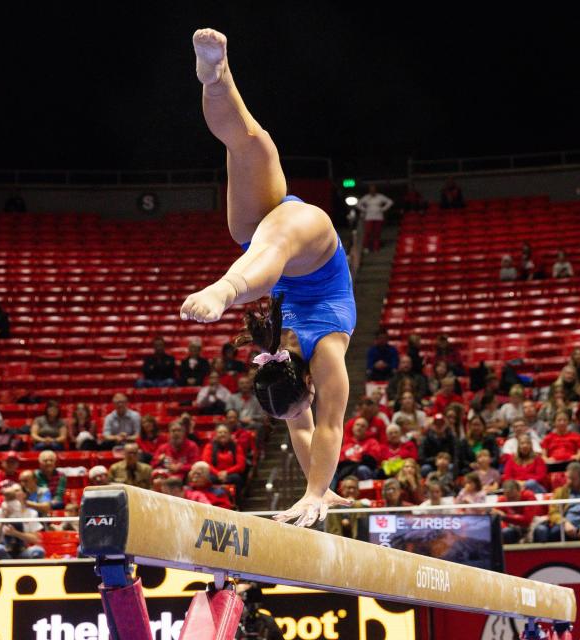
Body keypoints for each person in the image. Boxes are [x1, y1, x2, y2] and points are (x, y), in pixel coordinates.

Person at [180, 28, 356, 527]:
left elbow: (311, 425)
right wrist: (316, 491)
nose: (306, 407)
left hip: (270, 247)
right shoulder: (324, 353)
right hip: (310, 244)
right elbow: (320, 429)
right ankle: (227, 288)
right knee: (266, 210)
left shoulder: (291, 362)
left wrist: (317, 489)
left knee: (248, 144)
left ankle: (217, 77)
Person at [0, 485, 45, 560]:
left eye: (17, 490)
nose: (13, 493)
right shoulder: (1, 511)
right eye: (12, 491)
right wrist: (4, 520)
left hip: (22, 551)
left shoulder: (31, 513)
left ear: (24, 494)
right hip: (4, 550)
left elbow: (36, 539)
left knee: (38, 551)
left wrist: (15, 533)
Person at [202, 424, 247, 489]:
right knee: (208, 479)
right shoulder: (209, 446)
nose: (222, 434)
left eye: (225, 432)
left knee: (237, 478)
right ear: (216, 435)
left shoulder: (236, 447)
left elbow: (241, 465)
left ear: (229, 435)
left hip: (230, 475)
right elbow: (207, 464)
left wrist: (226, 472)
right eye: (220, 432)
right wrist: (218, 473)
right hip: (214, 474)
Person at [492, 480, 537, 544]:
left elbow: (526, 521)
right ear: (504, 494)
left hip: (532, 526)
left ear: (520, 491)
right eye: (509, 498)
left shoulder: (529, 495)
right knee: (505, 532)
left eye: (513, 497)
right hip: (514, 528)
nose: (511, 501)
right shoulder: (502, 499)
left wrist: (505, 516)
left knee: (541, 530)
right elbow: (494, 514)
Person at [356, 184, 393, 253]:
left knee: (377, 233)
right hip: (369, 217)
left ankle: (376, 248)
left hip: (378, 217)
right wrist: (364, 209)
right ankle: (366, 247)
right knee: (368, 233)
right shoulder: (366, 197)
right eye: (371, 189)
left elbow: (390, 202)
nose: (372, 191)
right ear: (369, 190)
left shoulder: (380, 196)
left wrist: (383, 209)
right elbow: (358, 204)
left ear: (376, 190)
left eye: (373, 189)